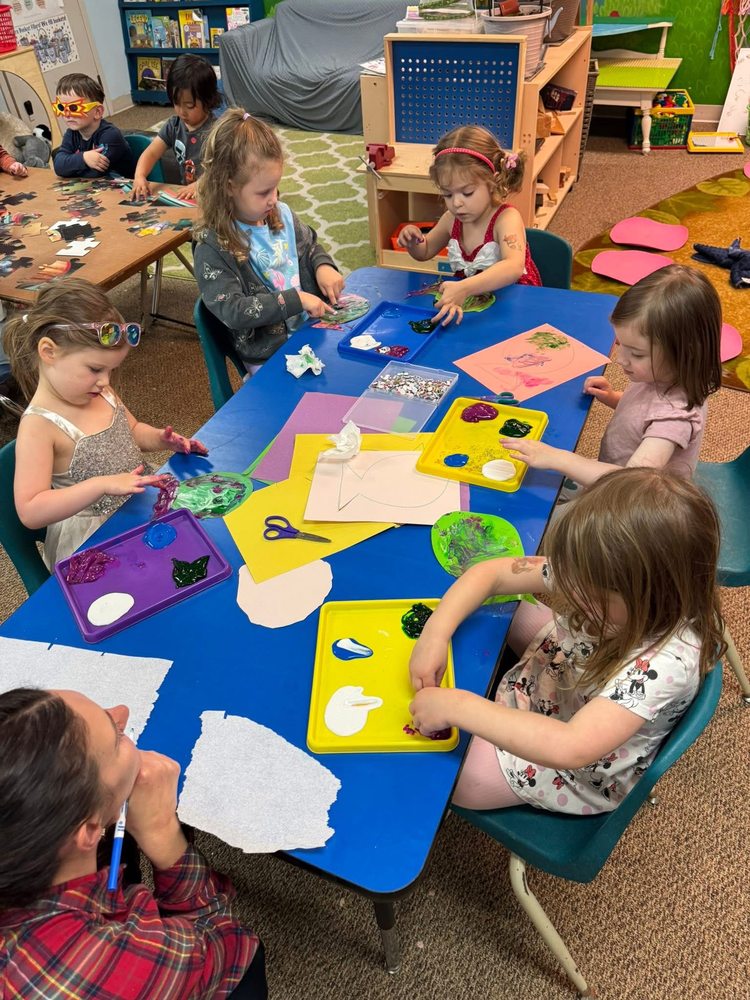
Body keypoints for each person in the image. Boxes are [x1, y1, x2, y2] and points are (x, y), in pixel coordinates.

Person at [409, 468, 725, 814]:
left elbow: (570, 747)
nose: (569, 589)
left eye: (588, 591)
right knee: (501, 608)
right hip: (574, 672)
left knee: (463, 781)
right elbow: (492, 573)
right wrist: (434, 634)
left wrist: (459, 706)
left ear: (644, 593)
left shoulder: (665, 665)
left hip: (577, 763)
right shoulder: (608, 574)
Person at [0, 687, 267, 998]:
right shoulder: (98, 965)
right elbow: (227, 943)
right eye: (116, 739)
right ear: (88, 831)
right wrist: (162, 831)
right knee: (248, 965)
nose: (122, 712)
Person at [4, 278, 208, 568]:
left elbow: (133, 432)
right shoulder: (39, 425)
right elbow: (30, 509)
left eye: (110, 370)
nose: (105, 381)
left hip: (136, 508)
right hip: (93, 540)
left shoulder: (100, 391)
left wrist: (162, 439)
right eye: (95, 369)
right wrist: (100, 485)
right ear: (49, 352)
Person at [503, 264, 722, 489]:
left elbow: (632, 482)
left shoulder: (675, 419)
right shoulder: (660, 376)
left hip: (634, 505)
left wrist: (561, 459)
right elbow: (646, 414)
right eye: (620, 345)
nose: (621, 360)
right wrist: (613, 397)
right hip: (612, 480)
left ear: (685, 353)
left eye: (636, 354)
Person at [194, 109, 344, 371]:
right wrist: (297, 300)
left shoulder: (280, 213)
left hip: (310, 332)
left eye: (275, 187)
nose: (274, 198)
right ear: (228, 186)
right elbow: (235, 310)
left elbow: (309, 248)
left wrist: (323, 267)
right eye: (263, 192)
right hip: (269, 359)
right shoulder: (213, 246)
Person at [396, 125, 541, 326]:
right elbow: (425, 251)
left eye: (467, 193)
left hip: (513, 306)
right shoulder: (451, 219)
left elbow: (513, 266)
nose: (456, 203)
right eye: (448, 194)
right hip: (471, 308)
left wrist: (465, 287)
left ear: (493, 182)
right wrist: (413, 241)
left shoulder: (506, 218)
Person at [131, 54, 223, 202]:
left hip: (214, 197)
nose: (181, 111)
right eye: (176, 103)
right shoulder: (173, 126)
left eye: (189, 105)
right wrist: (139, 176)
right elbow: (151, 153)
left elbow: (222, 169)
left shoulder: (218, 131)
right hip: (187, 196)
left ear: (208, 100)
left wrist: (199, 185)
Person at [52, 73, 136, 179]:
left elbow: (95, 173)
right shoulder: (71, 133)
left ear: (97, 112)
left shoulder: (111, 135)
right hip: (92, 190)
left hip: (122, 189)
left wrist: (70, 164)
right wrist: (84, 158)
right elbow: (58, 166)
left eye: (74, 108)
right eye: (61, 107)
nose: (67, 115)